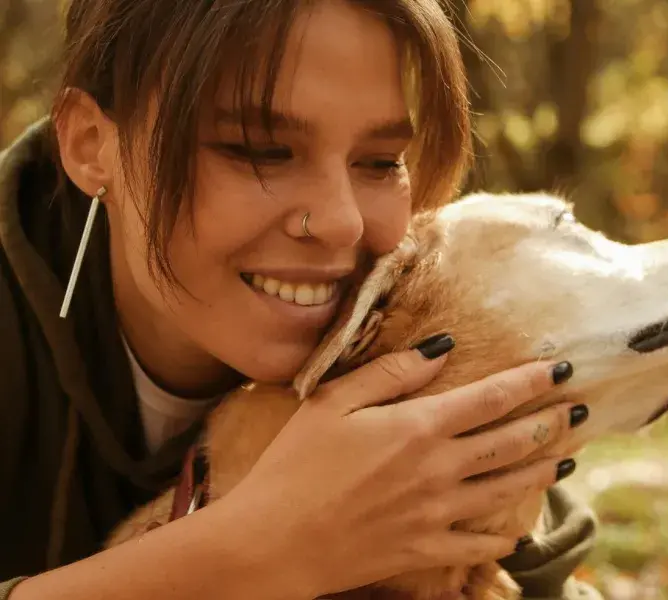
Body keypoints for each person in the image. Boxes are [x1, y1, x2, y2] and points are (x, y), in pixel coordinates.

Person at [0, 0, 603, 598]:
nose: (342, 223)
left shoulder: (398, 330)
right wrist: (248, 554)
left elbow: (543, 569)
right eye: (259, 151)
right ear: (88, 144)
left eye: (380, 161)